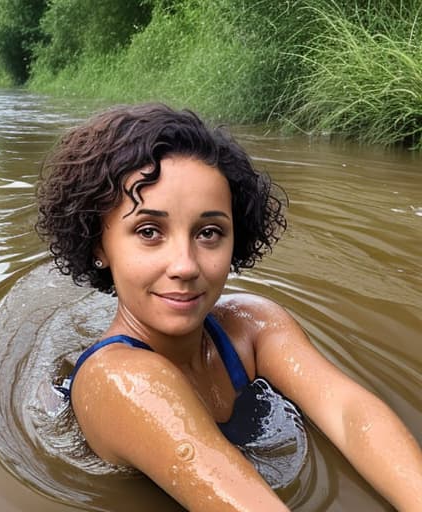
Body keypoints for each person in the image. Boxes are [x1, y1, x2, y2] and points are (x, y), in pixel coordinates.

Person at [36, 103, 422, 511]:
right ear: (100, 246)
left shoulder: (253, 324)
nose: (185, 265)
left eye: (209, 232)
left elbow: (349, 412)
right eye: (149, 231)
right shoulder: (121, 382)